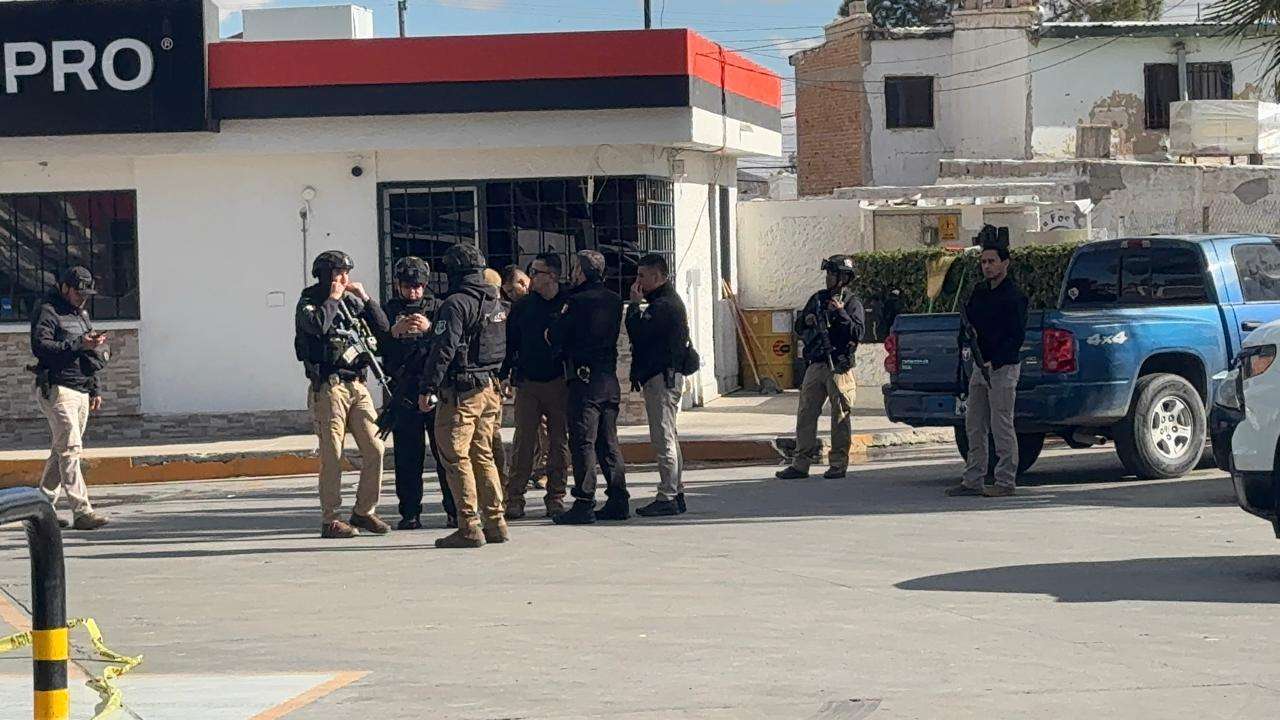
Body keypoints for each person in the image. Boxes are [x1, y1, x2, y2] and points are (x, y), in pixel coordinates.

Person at [295, 250, 392, 539]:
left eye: (346, 273)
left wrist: (366, 299)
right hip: (330, 387)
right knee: (333, 454)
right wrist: (333, 299)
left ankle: (364, 511)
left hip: (357, 385)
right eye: (338, 273)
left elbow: (384, 332)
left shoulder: (351, 303)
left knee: (375, 448)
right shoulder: (310, 302)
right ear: (326, 275)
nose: (344, 278)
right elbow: (317, 326)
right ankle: (331, 519)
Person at [417, 244, 509, 549]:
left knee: (455, 457)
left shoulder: (455, 304)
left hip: (462, 392)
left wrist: (428, 388)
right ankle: (496, 522)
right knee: (483, 454)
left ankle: (469, 525)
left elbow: (443, 349)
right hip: (489, 388)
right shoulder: (494, 301)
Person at [29, 266, 110, 531]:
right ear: (65, 288)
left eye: (86, 295)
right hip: (58, 389)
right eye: (78, 293)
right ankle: (82, 511)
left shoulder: (82, 316)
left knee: (61, 451)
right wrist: (78, 344)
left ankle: (40, 511)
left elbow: (90, 356)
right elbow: (41, 347)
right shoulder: (48, 311)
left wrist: (94, 388)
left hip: (81, 389)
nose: (82, 299)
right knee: (71, 449)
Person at [550, 249, 628, 525]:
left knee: (583, 441)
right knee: (608, 442)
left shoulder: (575, 301)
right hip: (608, 379)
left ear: (581, 272)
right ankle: (618, 498)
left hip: (584, 380)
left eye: (575, 268)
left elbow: (557, 334)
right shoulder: (614, 300)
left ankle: (584, 502)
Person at [947, 239, 1029, 498]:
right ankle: (973, 479)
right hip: (979, 367)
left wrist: (996, 360)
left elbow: (1016, 336)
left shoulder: (1014, 297)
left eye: (992, 261)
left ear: (1005, 263)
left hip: (1002, 368)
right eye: (983, 262)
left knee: (1001, 425)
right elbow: (969, 325)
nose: (987, 266)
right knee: (974, 425)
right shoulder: (979, 293)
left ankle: (1005, 481)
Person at [380, 256, 457, 530]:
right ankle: (410, 512)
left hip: (434, 389)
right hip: (404, 392)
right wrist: (393, 332)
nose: (413, 292)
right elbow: (376, 348)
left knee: (445, 453)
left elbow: (450, 344)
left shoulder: (438, 308)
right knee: (407, 457)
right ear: (398, 285)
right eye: (408, 286)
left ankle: (454, 510)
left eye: (418, 287)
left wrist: (429, 330)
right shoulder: (388, 311)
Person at [776, 255, 865, 481]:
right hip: (816, 364)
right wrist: (807, 321)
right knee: (806, 413)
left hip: (839, 366)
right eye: (828, 274)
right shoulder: (818, 299)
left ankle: (838, 464)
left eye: (832, 274)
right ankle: (800, 464)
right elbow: (799, 326)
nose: (828, 278)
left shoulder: (852, 303)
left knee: (840, 415)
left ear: (843, 278)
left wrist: (840, 313)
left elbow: (857, 333)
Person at [501, 252, 572, 519]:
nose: (531, 278)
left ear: (552, 276)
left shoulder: (569, 302)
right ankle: (515, 497)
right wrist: (505, 375)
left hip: (559, 381)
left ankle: (556, 496)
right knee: (524, 441)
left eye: (536, 272)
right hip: (528, 382)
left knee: (558, 442)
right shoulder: (523, 307)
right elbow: (511, 344)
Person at [625, 253, 693, 517]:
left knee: (663, 437)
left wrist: (634, 306)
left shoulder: (664, 306)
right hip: (664, 376)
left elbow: (639, 334)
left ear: (657, 276)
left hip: (661, 379)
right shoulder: (664, 302)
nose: (637, 281)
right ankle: (675, 490)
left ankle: (668, 494)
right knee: (669, 435)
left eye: (642, 276)